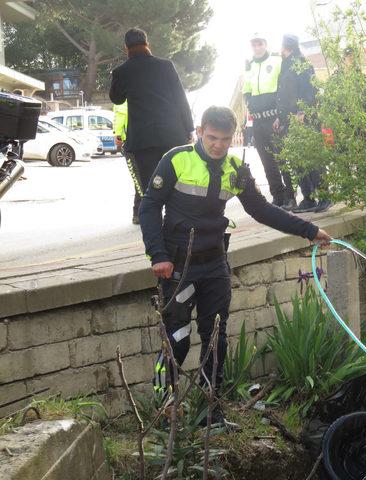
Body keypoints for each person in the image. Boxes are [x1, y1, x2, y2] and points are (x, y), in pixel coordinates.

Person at [138, 106, 331, 426]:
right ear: (200, 132)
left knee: (217, 339)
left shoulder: (236, 169)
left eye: (225, 140)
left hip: (214, 264)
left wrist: (308, 231)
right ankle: (163, 408)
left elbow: (262, 210)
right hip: (178, 266)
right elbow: (149, 207)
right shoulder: (176, 159)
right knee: (178, 337)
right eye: (212, 138)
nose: (218, 145)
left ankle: (209, 413)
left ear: (232, 138)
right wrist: (158, 255)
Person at [109, 27, 194, 223]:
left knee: (148, 184)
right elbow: (180, 98)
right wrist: (189, 128)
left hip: (142, 139)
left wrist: (117, 76)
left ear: (126, 47)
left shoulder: (122, 71)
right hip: (172, 134)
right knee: (175, 180)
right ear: (147, 43)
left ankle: (150, 222)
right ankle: (177, 220)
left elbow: (117, 99)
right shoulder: (166, 66)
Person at [274, 34, 331, 214]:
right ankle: (308, 198)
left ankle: (324, 196)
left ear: (286, 46)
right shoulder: (286, 65)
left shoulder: (301, 62)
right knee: (297, 160)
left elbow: (310, 89)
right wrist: (279, 117)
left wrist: (302, 111)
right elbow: (283, 95)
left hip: (303, 118)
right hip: (289, 119)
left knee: (312, 158)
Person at [242, 33, 295, 210]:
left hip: (274, 118)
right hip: (257, 121)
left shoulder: (276, 60)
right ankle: (277, 196)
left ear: (265, 44)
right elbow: (246, 90)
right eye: (254, 44)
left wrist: (282, 114)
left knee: (282, 158)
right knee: (267, 160)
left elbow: (284, 87)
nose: (257, 47)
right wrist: (249, 103)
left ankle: (290, 196)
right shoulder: (248, 65)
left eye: (259, 44)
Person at [113, 101, 144, 223]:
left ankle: (138, 213)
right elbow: (120, 115)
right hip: (132, 144)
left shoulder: (127, 97)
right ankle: (140, 214)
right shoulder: (125, 99)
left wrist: (118, 135)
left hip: (133, 143)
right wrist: (118, 134)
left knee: (139, 180)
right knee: (140, 181)